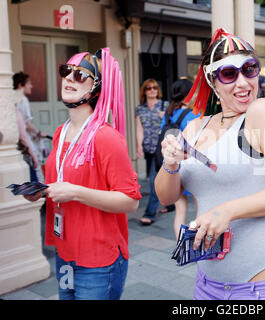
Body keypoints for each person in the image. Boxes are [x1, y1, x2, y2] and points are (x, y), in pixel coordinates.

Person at [155, 28, 265, 300]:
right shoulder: (196, 127)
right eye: (229, 73)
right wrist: (170, 164)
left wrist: (226, 211)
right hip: (207, 281)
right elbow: (166, 197)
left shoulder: (261, 112)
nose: (243, 82)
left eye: (249, 69)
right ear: (213, 81)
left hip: (262, 279)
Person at [24, 48, 141, 300]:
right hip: (65, 252)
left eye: (80, 75)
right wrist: (44, 192)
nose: (68, 78)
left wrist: (76, 192)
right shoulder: (60, 132)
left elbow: (130, 201)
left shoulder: (106, 137)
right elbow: (66, 182)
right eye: (66, 71)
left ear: (96, 87)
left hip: (98, 260)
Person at [159, 77, 200, 238]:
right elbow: (196, 141)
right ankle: (198, 244)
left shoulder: (168, 114)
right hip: (190, 165)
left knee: (180, 211)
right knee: (200, 208)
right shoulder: (191, 115)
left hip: (173, 166)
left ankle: (180, 246)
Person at [135, 79, 174, 225]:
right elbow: (140, 129)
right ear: (144, 91)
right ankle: (170, 204)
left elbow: (172, 124)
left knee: (154, 181)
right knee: (161, 176)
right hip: (148, 148)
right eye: (149, 88)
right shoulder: (140, 108)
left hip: (161, 148)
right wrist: (139, 145)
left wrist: (163, 116)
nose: (152, 90)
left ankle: (149, 214)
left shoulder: (164, 105)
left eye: (155, 88)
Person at [13, 72, 48, 182]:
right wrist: (39, 133)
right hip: (24, 140)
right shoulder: (22, 100)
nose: (31, 86)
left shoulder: (12, 98)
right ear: (20, 85)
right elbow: (26, 125)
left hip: (16, 141)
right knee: (35, 166)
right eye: (29, 83)